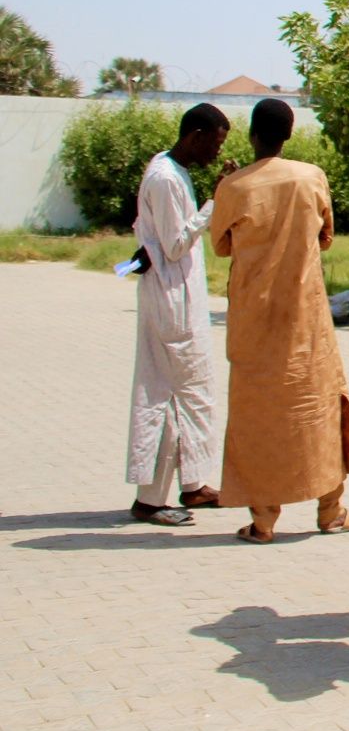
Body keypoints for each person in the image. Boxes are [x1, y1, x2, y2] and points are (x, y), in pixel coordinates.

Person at [211, 99, 349, 544]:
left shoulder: (234, 187)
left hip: (253, 320)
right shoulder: (311, 177)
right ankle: (331, 509)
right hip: (305, 319)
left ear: (251, 135)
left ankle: (263, 519)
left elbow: (222, 247)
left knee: (256, 416)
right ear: (289, 134)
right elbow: (326, 236)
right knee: (317, 408)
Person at [126, 103, 232, 527]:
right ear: (196, 135)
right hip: (171, 302)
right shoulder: (167, 178)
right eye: (216, 143)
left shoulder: (173, 172)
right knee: (167, 394)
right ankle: (151, 499)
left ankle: (193, 484)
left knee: (192, 392)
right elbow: (174, 244)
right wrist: (214, 203)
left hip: (177, 297)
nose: (215, 152)